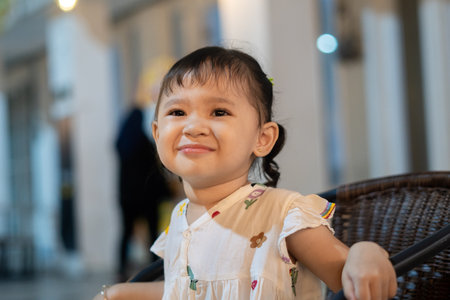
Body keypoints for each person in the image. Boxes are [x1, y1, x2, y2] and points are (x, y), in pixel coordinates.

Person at [94, 46, 397, 299]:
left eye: (219, 112)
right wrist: (118, 293)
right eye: (177, 112)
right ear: (157, 134)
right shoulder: (180, 218)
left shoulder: (281, 215)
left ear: (262, 138)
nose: (194, 126)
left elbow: (342, 271)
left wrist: (366, 254)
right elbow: (185, 288)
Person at [115, 104, 170, 281]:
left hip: (127, 199)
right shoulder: (144, 144)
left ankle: (120, 268)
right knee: (152, 233)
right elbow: (154, 174)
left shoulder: (122, 145)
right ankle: (154, 268)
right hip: (147, 198)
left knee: (125, 232)